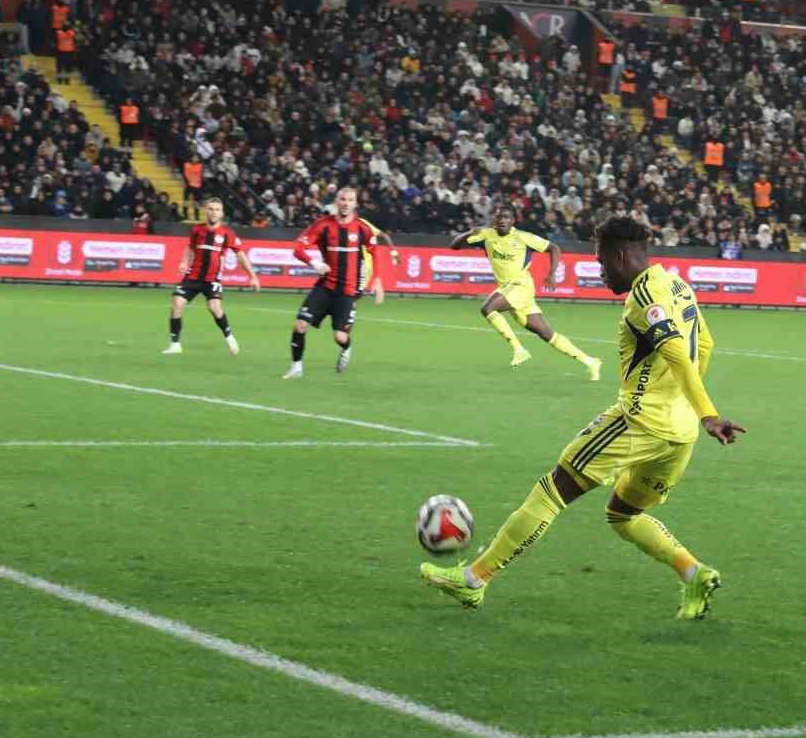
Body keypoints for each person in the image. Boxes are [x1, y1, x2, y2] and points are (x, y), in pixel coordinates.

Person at [420, 217, 746, 620]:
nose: (599, 268)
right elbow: (705, 345)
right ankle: (694, 574)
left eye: (601, 260)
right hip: (679, 433)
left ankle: (472, 580)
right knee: (624, 514)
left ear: (621, 255)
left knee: (552, 490)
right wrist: (688, 406)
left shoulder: (645, 295)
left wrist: (708, 413)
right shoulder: (677, 285)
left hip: (640, 421)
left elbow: (678, 351)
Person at [448, 205, 602, 379]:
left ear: (513, 221)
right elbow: (454, 246)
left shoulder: (523, 238)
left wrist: (552, 274)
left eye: (506, 217)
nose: (502, 221)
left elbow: (554, 248)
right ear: (494, 220)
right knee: (546, 334)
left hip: (521, 286)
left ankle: (519, 349)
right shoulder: (486, 235)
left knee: (487, 308)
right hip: (509, 290)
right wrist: (469, 232)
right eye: (499, 217)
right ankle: (590, 361)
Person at [284, 187, 399, 378]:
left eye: (350, 200)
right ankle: (296, 366)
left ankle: (346, 348)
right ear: (336, 201)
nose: (346, 203)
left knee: (340, 336)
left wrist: (377, 280)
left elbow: (374, 252)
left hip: (347, 291)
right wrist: (314, 263)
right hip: (325, 287)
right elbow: (298, 248)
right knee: (300, 325)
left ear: (355, 203)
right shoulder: (323, 225)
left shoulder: (362, 228)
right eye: (343, 199)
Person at [165, 197, 259, 355]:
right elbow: (190, 247)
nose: (213, 212)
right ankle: (175, 345)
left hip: (212, 278)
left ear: (221, 213)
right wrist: (183, 262)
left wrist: (253, 276)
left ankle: (229, 337)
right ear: (205, 211)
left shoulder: (227, 233)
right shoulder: (197, 230)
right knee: (177, 303)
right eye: (210, 209)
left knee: (214, 308)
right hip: (193, 275)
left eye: (217, 210)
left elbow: (241, 255)